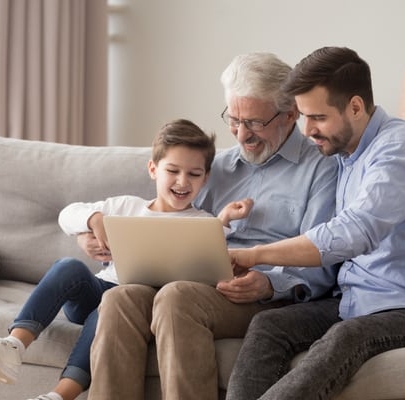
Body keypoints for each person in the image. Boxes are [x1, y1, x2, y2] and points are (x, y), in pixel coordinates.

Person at [84, 52, 339, 400]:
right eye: (233, 120)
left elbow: (322, 257)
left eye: (254, 122)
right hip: (197, 281)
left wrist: (268, 284)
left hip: (263, 297)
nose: (241, 134)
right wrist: (103, 240)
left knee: (178, 298)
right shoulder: (216, 167)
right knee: (120, 298)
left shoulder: (321, 168)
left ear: (291, 114)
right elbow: (168, 225)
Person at [226, 46, 405, 400]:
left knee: (345, 337)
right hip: (355, 302)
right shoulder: (345, 155)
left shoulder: (402, 149)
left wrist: (255, 254)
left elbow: (353, 232)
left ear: (355, 107)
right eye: (303, 117)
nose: (307, 130)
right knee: (269, 325)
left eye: (317, 117)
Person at [0, 119, 253, 400]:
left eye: (193, 174)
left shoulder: (203, 222)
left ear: (205, 178)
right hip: (100, 289)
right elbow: (67, 215)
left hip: (137, 307)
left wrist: (223, 222)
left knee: (109, 311)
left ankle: (58, 395)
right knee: (69, 267)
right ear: (153, 169)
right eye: (173, 170)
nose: (182, 181)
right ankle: (14, 344)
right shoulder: (125, 206)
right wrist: (93, 220)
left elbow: (212, 266)